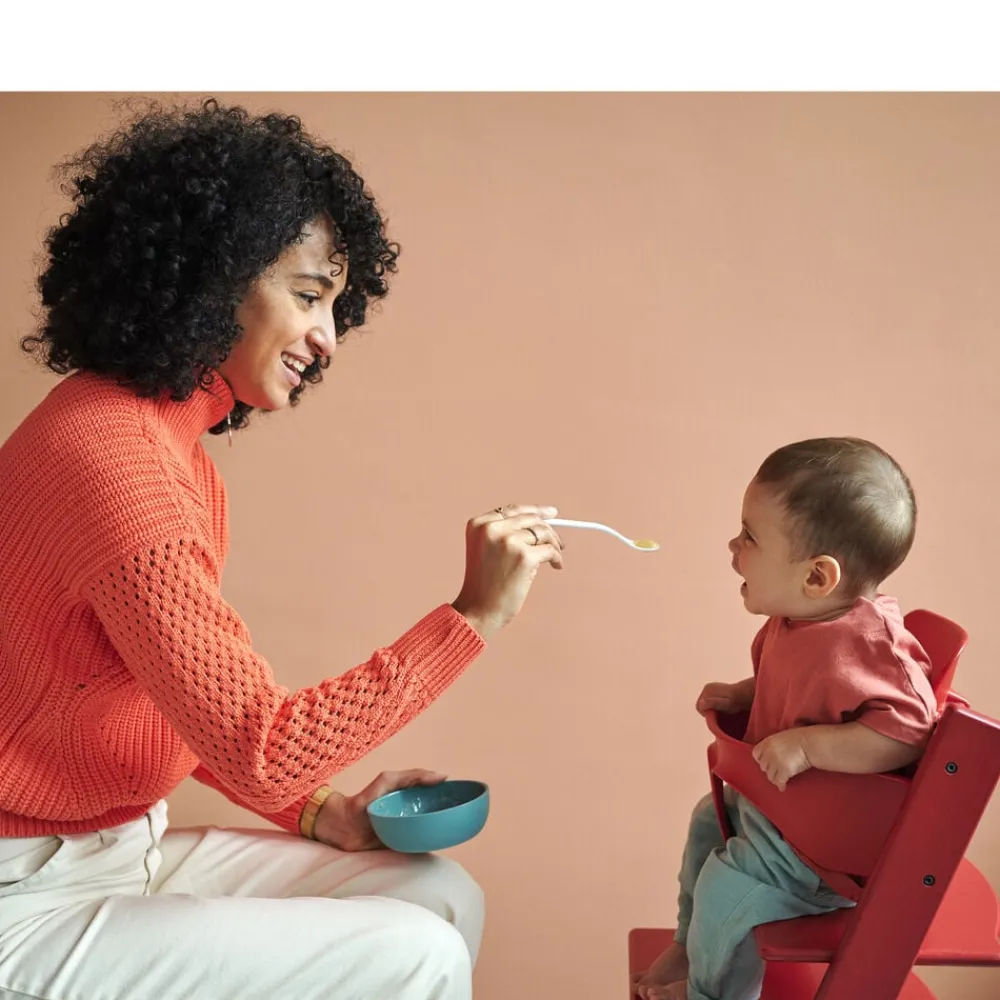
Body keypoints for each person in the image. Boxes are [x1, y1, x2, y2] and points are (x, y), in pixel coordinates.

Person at [0, 98, 566, 1000]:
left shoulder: (165, 451)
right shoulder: (117, 467)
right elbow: (263, 747)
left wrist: (320, 814)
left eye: (336, 307)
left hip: (116, 850)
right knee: (414, 952)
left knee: (438, 896)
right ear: (210, 276)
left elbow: (194, 718)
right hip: (25, 896)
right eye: (308, 297)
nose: (328, 339)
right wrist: (473, 616)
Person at [633, 437, 938, 1000]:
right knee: (706, 820)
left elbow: (909, 733)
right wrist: (745, 693)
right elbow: (806, 689)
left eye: (750, 536)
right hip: (781, 814)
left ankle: (712, 993)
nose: (733, 545)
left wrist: (808, 746)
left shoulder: (868, 645)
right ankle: (690, 946)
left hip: (819, 851)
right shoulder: (798, 620)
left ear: (817, 577)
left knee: (725, 886)